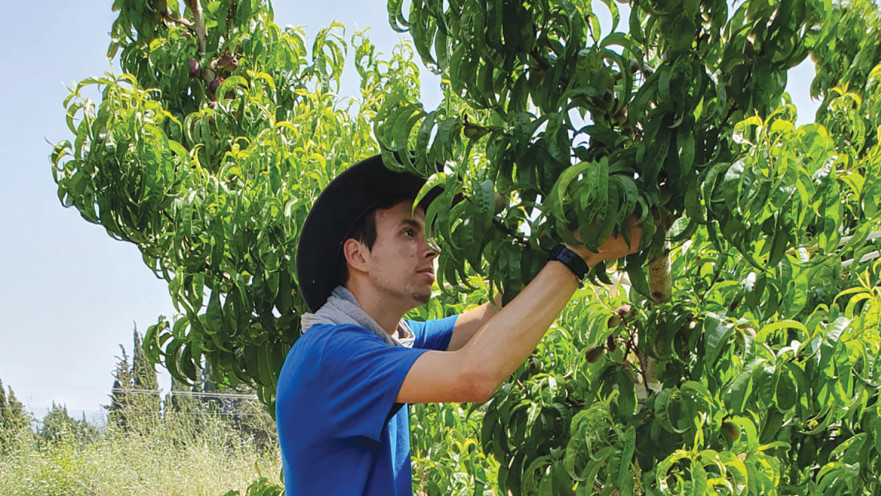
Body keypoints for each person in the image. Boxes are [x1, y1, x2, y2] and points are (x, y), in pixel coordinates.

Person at [276, 154, 641, 495]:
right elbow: (474, 376)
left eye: (427, 232)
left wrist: (564, 239)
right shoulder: (333, 354)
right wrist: (579, 255)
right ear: (358, 254)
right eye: (408, 232)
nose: (431, 248)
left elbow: (487, 318)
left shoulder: (391, 340)